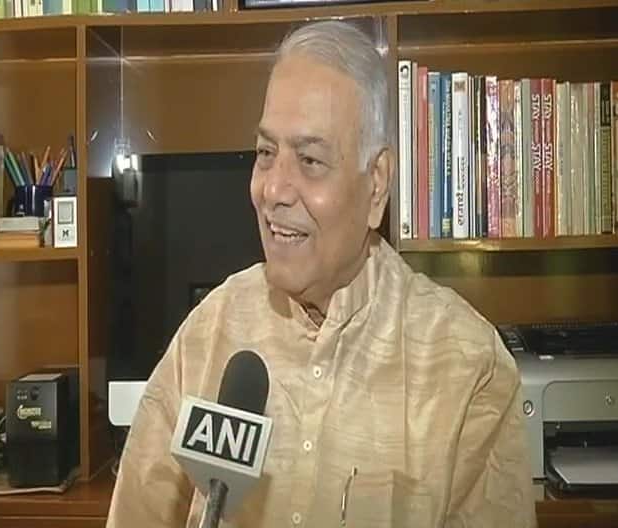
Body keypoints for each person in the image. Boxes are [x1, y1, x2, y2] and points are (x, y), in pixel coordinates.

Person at [106, 20, 537, 528]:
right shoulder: (207, 335)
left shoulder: (469, 366)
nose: (273, 190)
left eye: (310, 160)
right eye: (266, 154)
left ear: (376, 185)